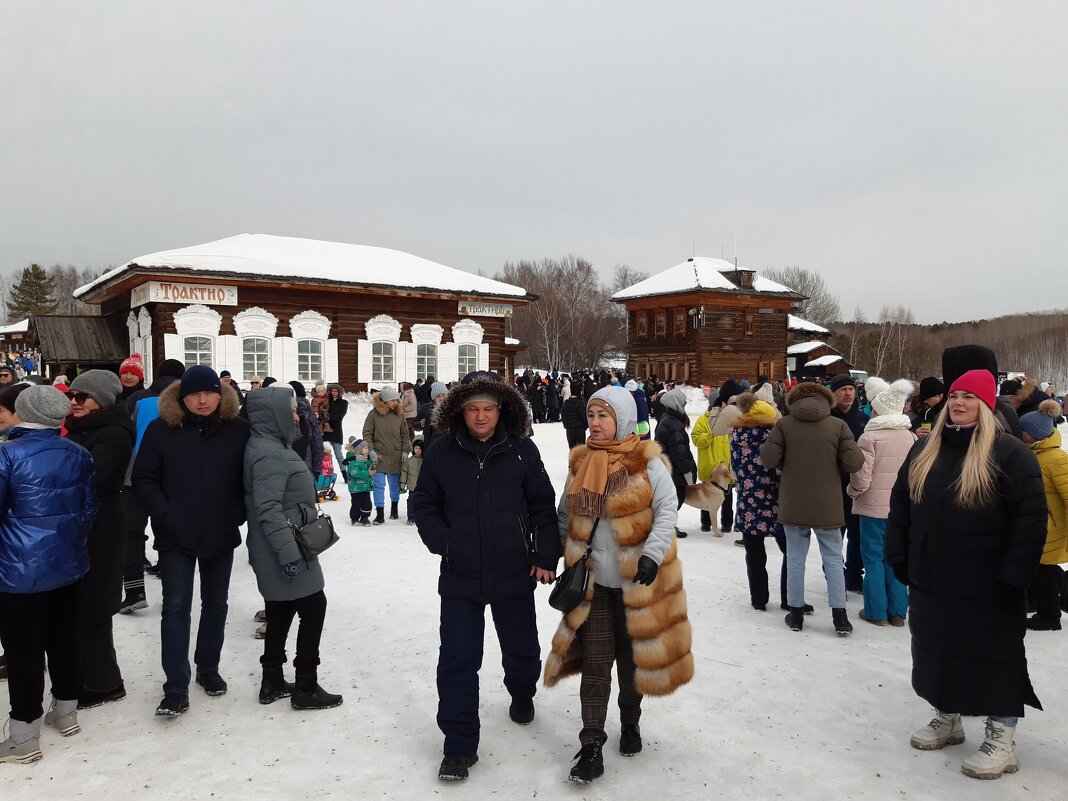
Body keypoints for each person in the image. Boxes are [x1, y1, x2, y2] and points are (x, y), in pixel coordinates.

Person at [885, 369, 1046, 780]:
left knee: (994, 655)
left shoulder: (1011, 454)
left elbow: (1029, 523)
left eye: (969, 397)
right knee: (936, 646)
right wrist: (899, 555)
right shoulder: (924, 451)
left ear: (987, 404)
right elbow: (901, 506)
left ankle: (1001, 735)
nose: (958, 403)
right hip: (931, 575)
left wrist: (1015, 578)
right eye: (954, 395)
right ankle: (948, 716)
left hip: (988, 581)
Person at [411, 374, 560, 782]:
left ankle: (522, 691)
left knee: (522, 648)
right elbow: (423, 503)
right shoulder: (442, 451)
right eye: (473, 408)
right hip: (461, 575)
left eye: (489, 408)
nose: (481, 416)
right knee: (457, 660)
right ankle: (458, 745)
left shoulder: (521, 451)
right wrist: (447, 543)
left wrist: (546, 553)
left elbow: (543, 504)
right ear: (461, 410)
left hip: (513, 569)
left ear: (502, 410)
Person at [544, 386, 692, 784]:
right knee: (595, 666)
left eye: (603, 416)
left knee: (630, 664)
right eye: (591, 415)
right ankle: (591, 743)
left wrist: (651, 554)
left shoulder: (648, 463)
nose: (594, 424)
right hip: (593, 585)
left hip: (636, 585)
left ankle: (630, 720)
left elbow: (666, 510)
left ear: (622, 420)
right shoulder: (580, 463)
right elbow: (565, 514)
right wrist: (558, 556)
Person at [132, 365, 250, 717]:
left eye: (210, 393)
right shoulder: (161, 429)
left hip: (220, 531)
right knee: (176, 607)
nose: (203, 400)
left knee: (216, 603)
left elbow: (250, 478)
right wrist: (164, 515)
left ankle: (208, 668)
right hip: (174, 535)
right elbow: (144, 478)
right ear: (182, 398)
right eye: (195, 394)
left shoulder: (238, 431)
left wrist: (236, 514)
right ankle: (175, 686)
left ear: (220, 394)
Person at [0, 386, 96, 764]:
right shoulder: (79, 453)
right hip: (67, 566)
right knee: (62, 638)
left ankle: (24, 735)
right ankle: (66, 711)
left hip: (17, 571)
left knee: (23, 651)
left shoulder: (7, 455)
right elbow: (89, 511)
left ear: (24, 412)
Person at [243, 386, 342, 710]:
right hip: (285, 547)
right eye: (292, 412)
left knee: (281, 610)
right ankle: (305, 687)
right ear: (274, 417)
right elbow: (268, 510)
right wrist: (289, 557)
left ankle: (271, 680)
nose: (297, 417)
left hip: (280, 544)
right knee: (314, 607)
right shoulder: (269, 453)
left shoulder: (269, 446)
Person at [760, 381, 865, 635]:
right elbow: (854, 462)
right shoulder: (837, 425)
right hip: (828, 503)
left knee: (795, 558)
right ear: (827, 400)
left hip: (793, 502)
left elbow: (768, 459)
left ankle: (795, 615)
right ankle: (840, 616)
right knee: (832, 558)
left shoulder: (784, 424)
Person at [63, 371, 136, 709]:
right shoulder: (83, 429)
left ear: (103, 400)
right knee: (78, 603)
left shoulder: (114, 432)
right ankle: (88, 674)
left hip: (101, 524)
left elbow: (88, 476)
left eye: (83, 397)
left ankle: (106, 683)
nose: (75, 401)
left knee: (93, 603)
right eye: (73, 395)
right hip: (81, 523)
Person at [846, 378, 915, 627]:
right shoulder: (910, 437)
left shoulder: (869, 438)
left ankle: (876, 611)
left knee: (873, 559)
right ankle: (898, 611)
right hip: (900, 508)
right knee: (895, 557)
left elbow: (861, 477)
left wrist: (853, 491)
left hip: (873, 507)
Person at [120, 358, 186, 611]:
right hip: (172, 477)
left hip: (134, 475)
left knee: (132, 533)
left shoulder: (137, 398)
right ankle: (172, 591)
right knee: (168, 530)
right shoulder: (186, 400)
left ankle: (135, 591)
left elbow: (124, 433)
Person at [729, 393, 788, 611]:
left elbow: (735, 467)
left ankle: (758, 598)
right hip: (774, 501)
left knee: (754, 553)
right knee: (790, 550)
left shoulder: (738, 435)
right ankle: (789, 597)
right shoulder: (773, 438)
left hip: (748, 503)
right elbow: (781, 470)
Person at [1018, 399, 1067, 631]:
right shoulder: (1036, 454)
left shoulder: (1055, 459)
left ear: (1036, 434)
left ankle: (1050, 617)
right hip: (1041, 524)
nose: (1020, 434)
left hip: (1053, 527)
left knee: (1044, 572)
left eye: (1023, 431)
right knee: (1040, 569)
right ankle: (1047, 605)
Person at [829, 374, 869, 593]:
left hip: (859, 488)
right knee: (834, 537)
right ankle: (835, 577)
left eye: (851, 389)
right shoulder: (826, 420)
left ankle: (854, 576)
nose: (848, 393)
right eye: (843, 389)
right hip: (833, 488)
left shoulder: (863, 420)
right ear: (833, 394)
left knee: (858, 537)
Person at [654, 387, 697, 538]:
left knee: (671, 500)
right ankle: (667, 527)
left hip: (668, 467)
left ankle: (668, 525)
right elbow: (679, 453)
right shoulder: (673, 424)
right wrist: (688, 471)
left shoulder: (668, 419)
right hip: (673, 469)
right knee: (674, 500)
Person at [362, 386, 409, 525]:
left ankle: (394, 509)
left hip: (396, 454)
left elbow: (405, 435)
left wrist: (405, 450)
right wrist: (370, 450)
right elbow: (367, 433)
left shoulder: (400, 415)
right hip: (379, 455)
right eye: (392, 400)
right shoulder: (373, 414)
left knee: (394, 485)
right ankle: (380, 513)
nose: (395, 403)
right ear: (385, 400)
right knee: (378, 485)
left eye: (396, 400)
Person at [344, 439, 375, 526]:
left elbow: (372, 463)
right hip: (356, 488)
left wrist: (374, 460)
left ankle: (364, 518)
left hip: (365, 487)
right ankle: (354, 518)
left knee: (367, 504)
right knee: (356, 504)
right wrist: (368, 473)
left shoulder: (365, 460)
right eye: (365, 448)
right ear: (358, 450)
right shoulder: (353, 462)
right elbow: (355, 473)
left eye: (367, 448)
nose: (367, 450)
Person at [399, 439, 423, 525]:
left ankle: (421, 517)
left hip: (423, 487)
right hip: (412, 486)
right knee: (411, 502)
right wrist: (402, 482)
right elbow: (404, 472)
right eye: (416, 448)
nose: (417, 450)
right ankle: (411, 517)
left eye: (420, 448)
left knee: (423, 502)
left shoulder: (425, 460)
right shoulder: (409, 461)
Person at [323, 384, 348, 467]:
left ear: (339, 392)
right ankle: (328, 473)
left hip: (336, 431)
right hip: (325, 431)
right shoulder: (326, 401)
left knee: (339, 455)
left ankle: (345, 475)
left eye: (336, 391)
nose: (333, 393)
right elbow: (321, 413)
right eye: (332, 391)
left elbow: (339, 417)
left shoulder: (343, 403)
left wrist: (326, 417)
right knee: (326, 455)